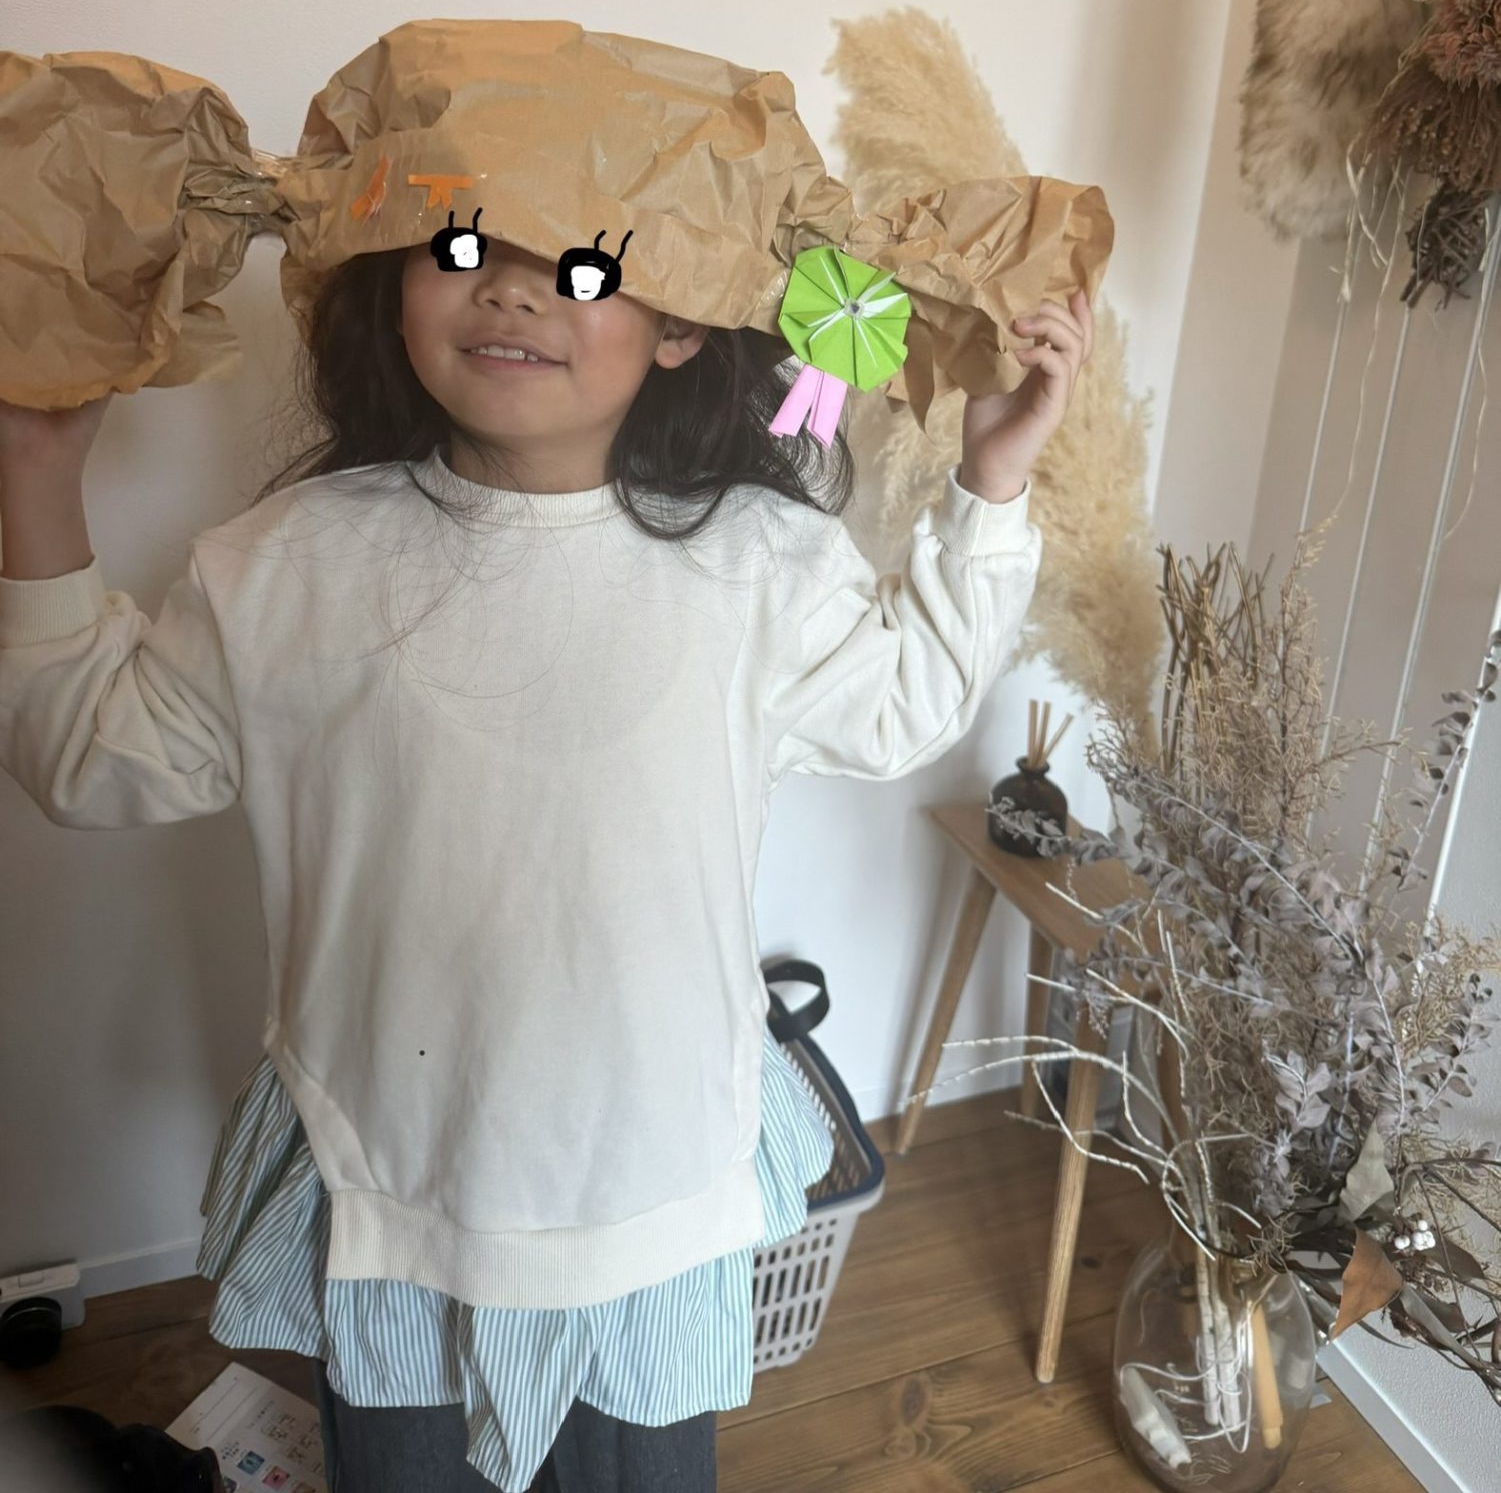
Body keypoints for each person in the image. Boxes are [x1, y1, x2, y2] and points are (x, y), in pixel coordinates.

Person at [0, 184, 1092, 1493]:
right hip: (392, 1176)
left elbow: (904, 700)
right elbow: (93, 755)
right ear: (396, 284)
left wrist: (992, 478)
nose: (511, 288)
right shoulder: (290, 559)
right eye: (460, 248)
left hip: (650, 1184)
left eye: (582, 266)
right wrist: (37, 474)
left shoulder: (759, 559)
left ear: (682, 324)